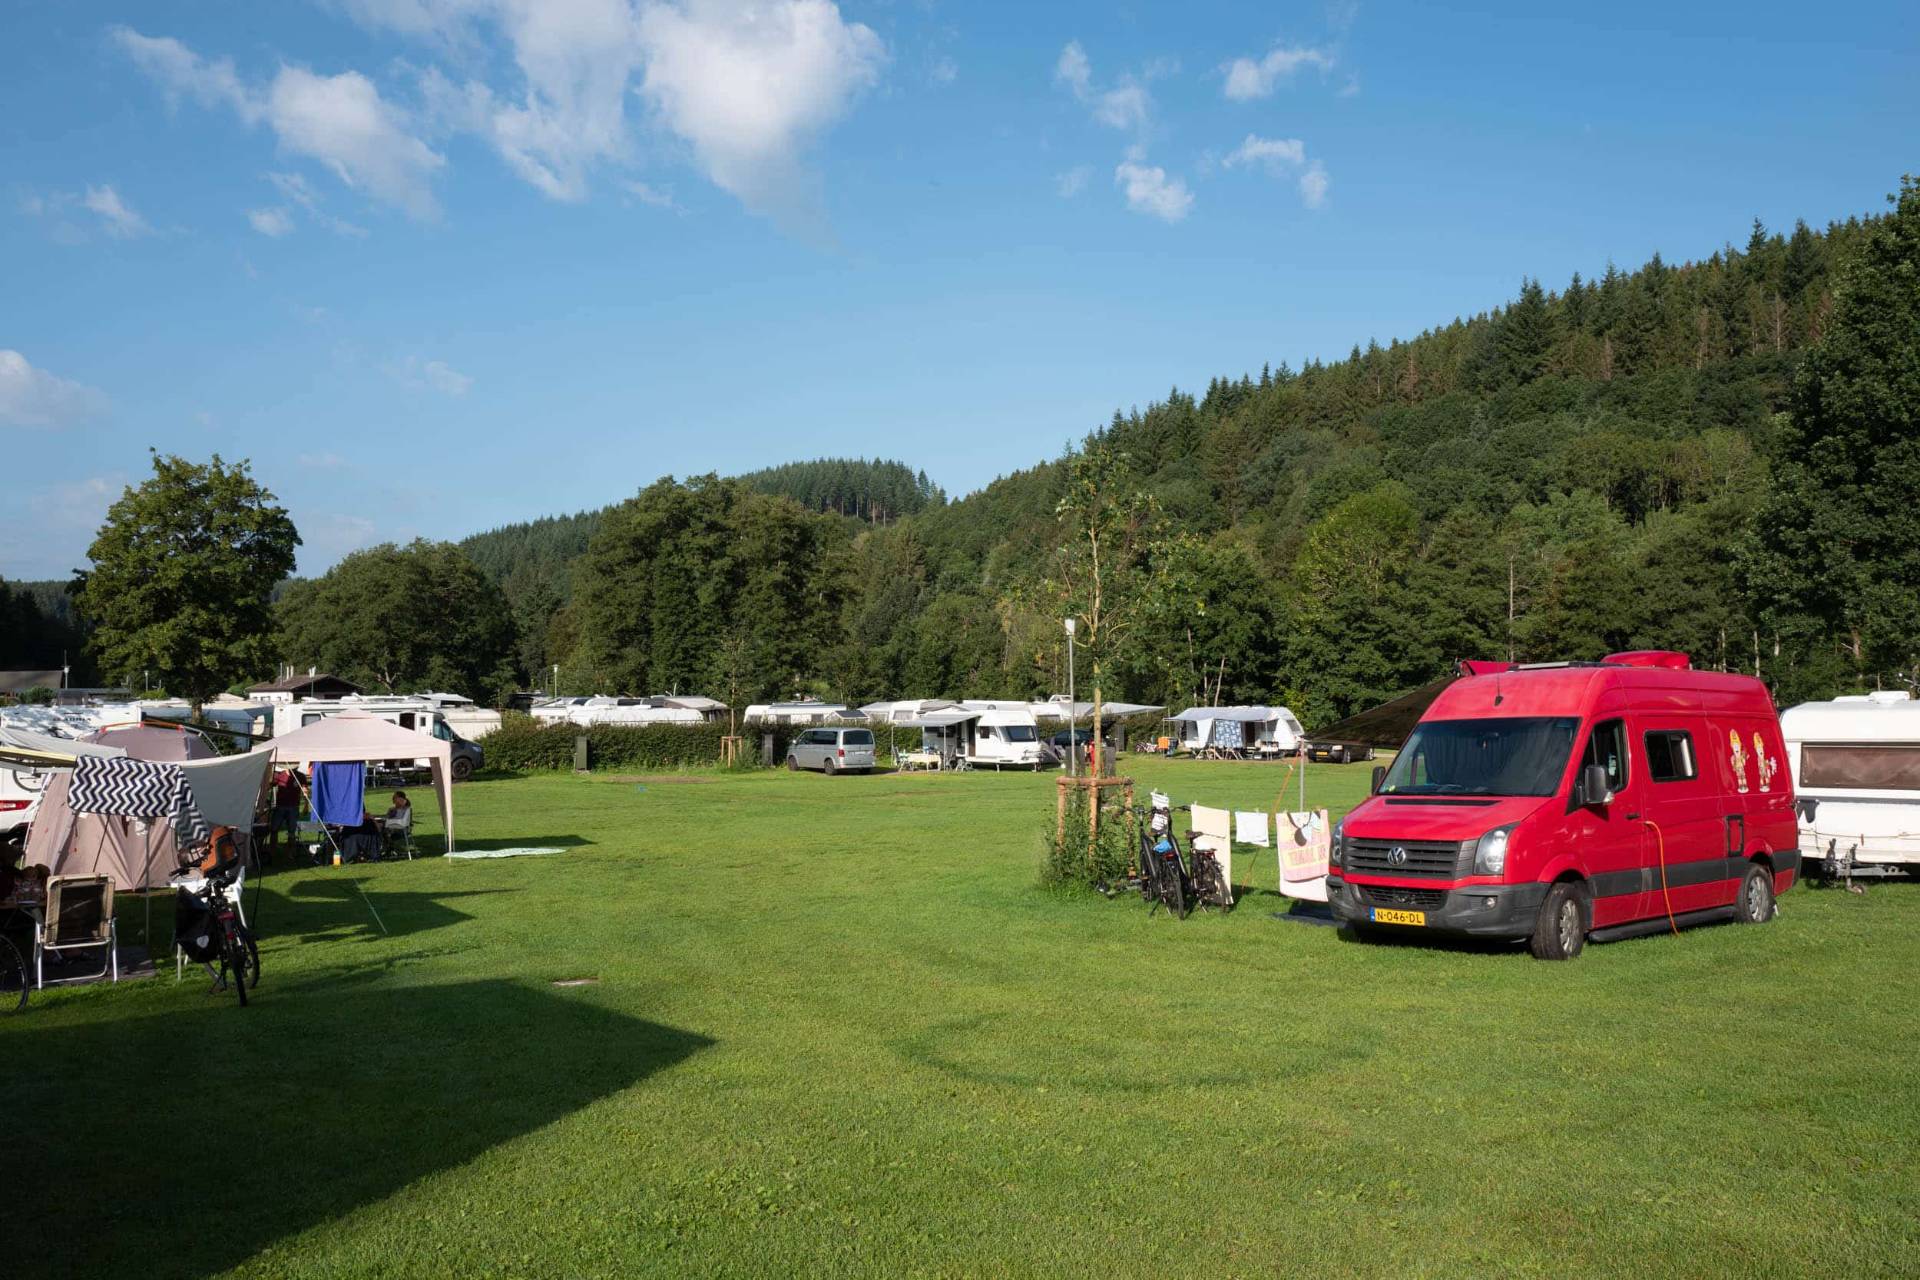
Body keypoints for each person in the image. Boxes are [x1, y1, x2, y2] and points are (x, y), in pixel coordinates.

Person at [268, 768, 301, 861]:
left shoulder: (300, 775)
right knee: (274, 830)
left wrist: (306, 801)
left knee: (291, 832)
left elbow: (304, 787)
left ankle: (290, 853)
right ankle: (272, 852)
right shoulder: (279, 775)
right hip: (280, 807)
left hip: (293, 807)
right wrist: (271, 775)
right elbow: (270, 784)